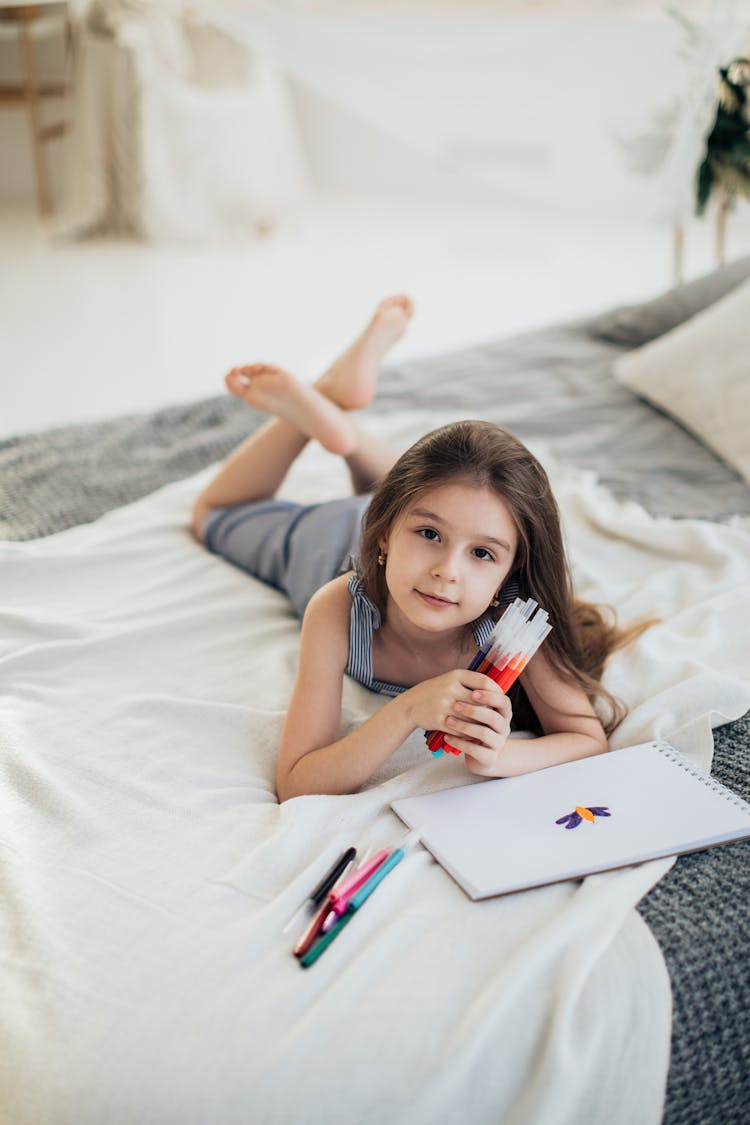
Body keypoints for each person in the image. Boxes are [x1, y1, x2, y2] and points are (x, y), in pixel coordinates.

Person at [193, 296, 633, 802]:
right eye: (432, 538)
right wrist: (406, 711)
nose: (448, 572)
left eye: (483, 554)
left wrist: (501, 757)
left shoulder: (514, 622)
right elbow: (297, 781)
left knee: (428, 498)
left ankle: (345, 426)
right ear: (382, 539)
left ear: (512, 568)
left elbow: (587, 740)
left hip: (393, 529)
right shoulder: (336, 608)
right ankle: (315, 409)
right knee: (215, 514)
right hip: (328, 540)